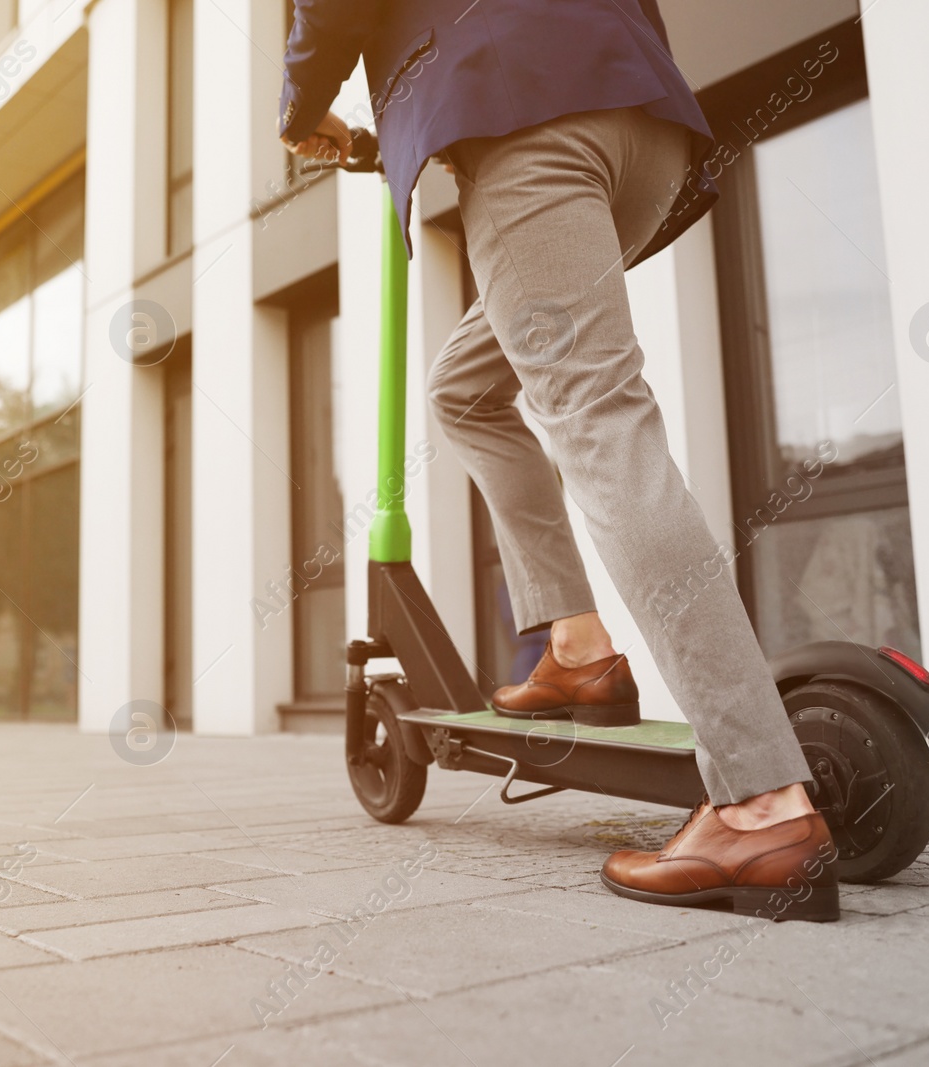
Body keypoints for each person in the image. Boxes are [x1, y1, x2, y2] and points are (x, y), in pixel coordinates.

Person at [279, 0, 839, 921]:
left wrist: (301, 110)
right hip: (639, 125)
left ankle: (760, 803)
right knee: (463, 389)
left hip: (526, 118)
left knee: (597, 416)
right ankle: (576, 649)